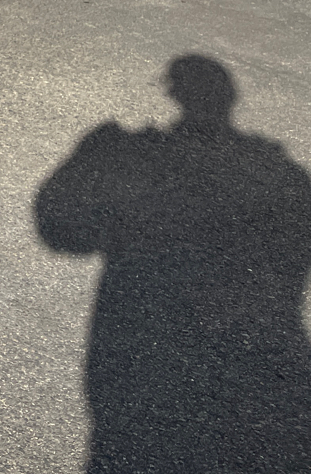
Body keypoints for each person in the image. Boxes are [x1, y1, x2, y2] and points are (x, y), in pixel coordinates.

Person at [35, 56, 311, 472]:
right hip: (260, 368)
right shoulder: (284, 176)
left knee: (133, 444)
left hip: (140, 354)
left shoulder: (133, 157)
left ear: (171, 93)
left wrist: (99, 155)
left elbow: (60, 229)